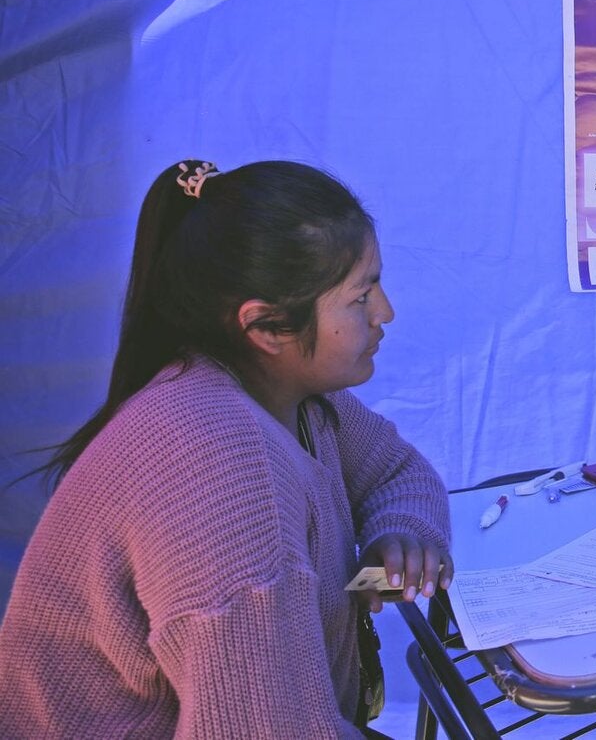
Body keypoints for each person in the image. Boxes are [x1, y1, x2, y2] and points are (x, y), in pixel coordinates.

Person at [0, 160, 453, 738]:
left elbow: (397, 470)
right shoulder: (216, 464)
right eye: (361, 295)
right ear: (266, 327)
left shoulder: (304, 402)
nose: (385, 311)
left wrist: (402, 532)